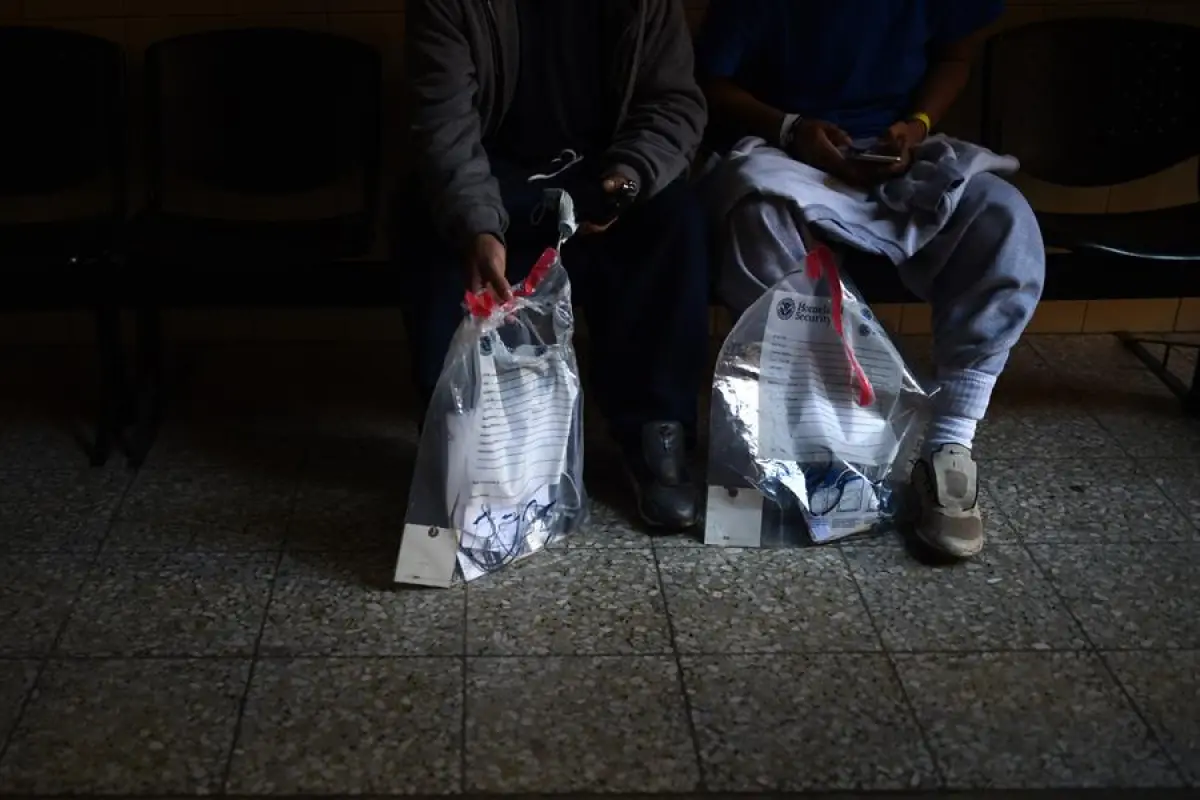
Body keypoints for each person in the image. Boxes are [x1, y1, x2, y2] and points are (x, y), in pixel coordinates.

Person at [696, 0, 1046, 559]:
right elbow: (710, 80)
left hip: (895, 152)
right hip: (787, 148)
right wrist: (792, 128)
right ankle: (825, 442)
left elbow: (957, 52)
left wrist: (917, 125)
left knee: (1005, 220)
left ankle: (949, 445)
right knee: (754, 217)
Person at [400, 0, 709, 530]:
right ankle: (463, 442)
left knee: (674, 218)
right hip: (496, 185)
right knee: (424, 219)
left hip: (606, 178)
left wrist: (629, 180)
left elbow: (673, 104)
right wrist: (479, 225)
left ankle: (656, 430)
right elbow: (443, 122)